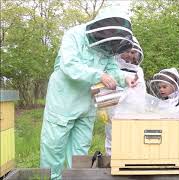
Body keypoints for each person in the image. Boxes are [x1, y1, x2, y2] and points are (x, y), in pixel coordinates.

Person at [40, 7, 137, 179]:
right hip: (63, 100)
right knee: (54, 146)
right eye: (110, 28)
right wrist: (99, 75)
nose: (111, 33)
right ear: (101, 24)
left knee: (81, 149)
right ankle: (51, 177)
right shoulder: (75, 35)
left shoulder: (108, 45)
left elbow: (112, 69)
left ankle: (76, 177)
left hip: (87, 102)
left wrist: (125, 78)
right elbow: (69, 64)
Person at [104, 36, 146, 156]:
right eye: (126, 51)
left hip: (133, 108)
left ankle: (130, 158)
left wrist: (141, 108)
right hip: (114, 107)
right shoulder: (113, 68)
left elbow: (142, 91)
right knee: (113, 133)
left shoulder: (139, 71)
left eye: (132, 52)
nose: (129, 55)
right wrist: (103, 108)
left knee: (132, 134)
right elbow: (105, 87)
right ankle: (111, 159)